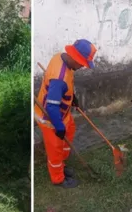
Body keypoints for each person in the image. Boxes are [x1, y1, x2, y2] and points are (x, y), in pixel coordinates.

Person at [34, 39, 97, 188]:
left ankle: (62, 164)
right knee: (55, 148)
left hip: (63, 113)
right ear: (74, 58)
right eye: (82, 63)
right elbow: (51, 107)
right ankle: (58, 178)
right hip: (50, 119)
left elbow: (67, 85)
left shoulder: (61, 58)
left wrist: (72, 97)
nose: (82, 66)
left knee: (70, 130)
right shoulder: (59, 79)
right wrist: (58, 126)